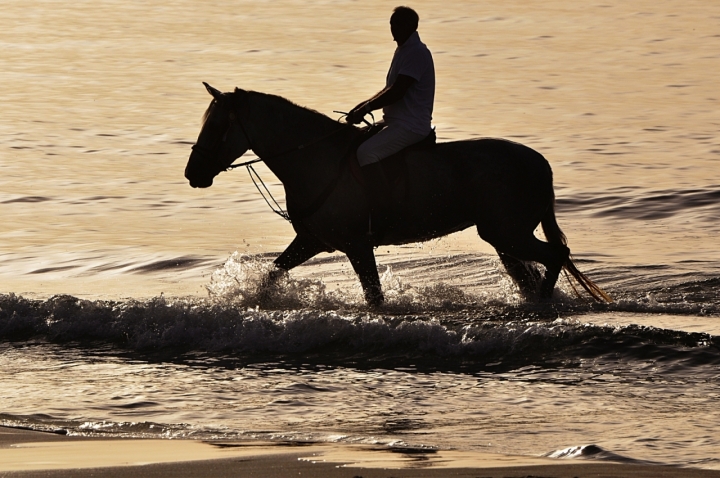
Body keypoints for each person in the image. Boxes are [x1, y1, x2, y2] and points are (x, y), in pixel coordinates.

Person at [346, 6, 435, 236]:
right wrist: (361, 107)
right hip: (395, 122)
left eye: (398, 25)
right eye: (391, 25)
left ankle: (384, 211)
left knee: (366, 153)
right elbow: (389, 89)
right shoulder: (404, 50)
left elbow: (398, 91)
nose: (393, 30)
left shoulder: (416, 52)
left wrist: (366, 108)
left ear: (411, 27)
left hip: (411, 126)